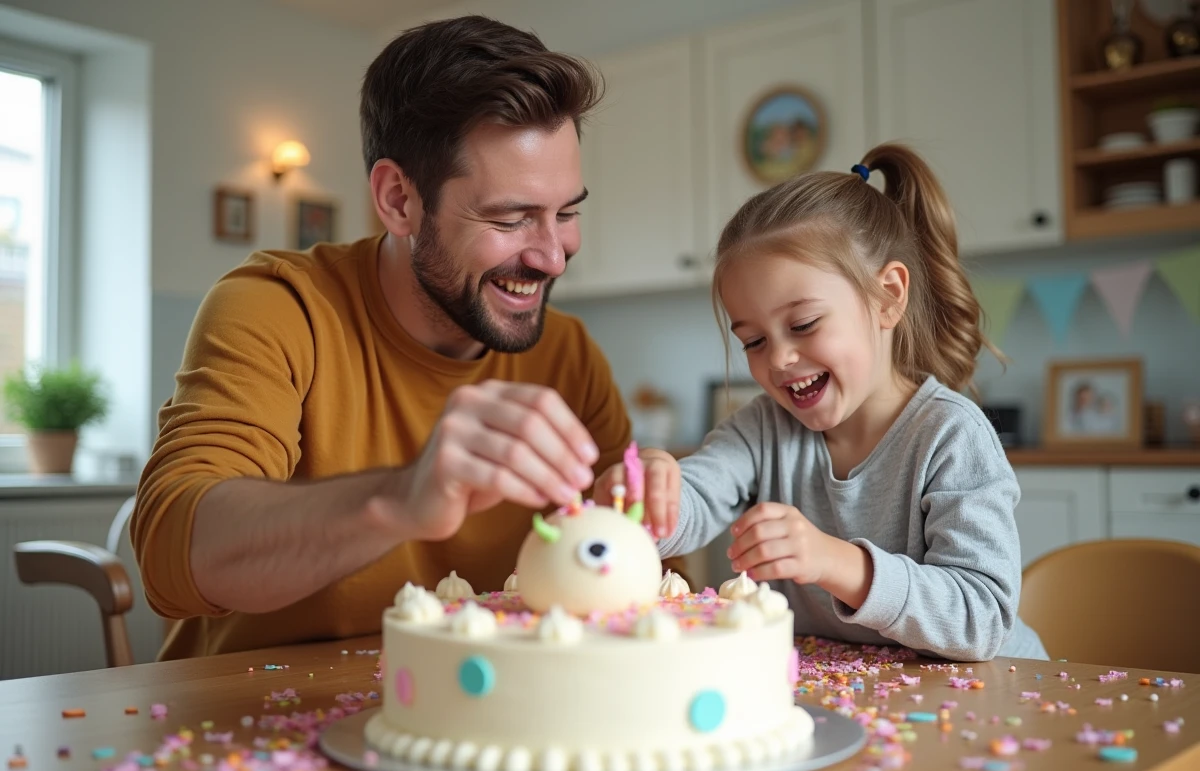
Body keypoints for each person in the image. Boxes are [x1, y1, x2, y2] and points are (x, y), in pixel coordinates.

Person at [131, 15, 687, 659]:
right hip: (254, 710)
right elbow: (174, 552)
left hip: (485, 712)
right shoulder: (278, 308)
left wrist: (650, 501)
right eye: (511, 218)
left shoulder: (567, 353)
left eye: (566, 213)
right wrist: (400, 497)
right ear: (399, 199)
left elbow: (635, 583)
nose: (553, 257)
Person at [596, 144, 1048, 662]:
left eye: (804, 324)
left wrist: (835, 562)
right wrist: (650, 496)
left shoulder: (950, 435)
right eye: (753, 341)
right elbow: (697, 497)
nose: (779, 358)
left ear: (888, 297)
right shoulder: (762, 430)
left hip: (1002, 692)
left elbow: (981, 618)